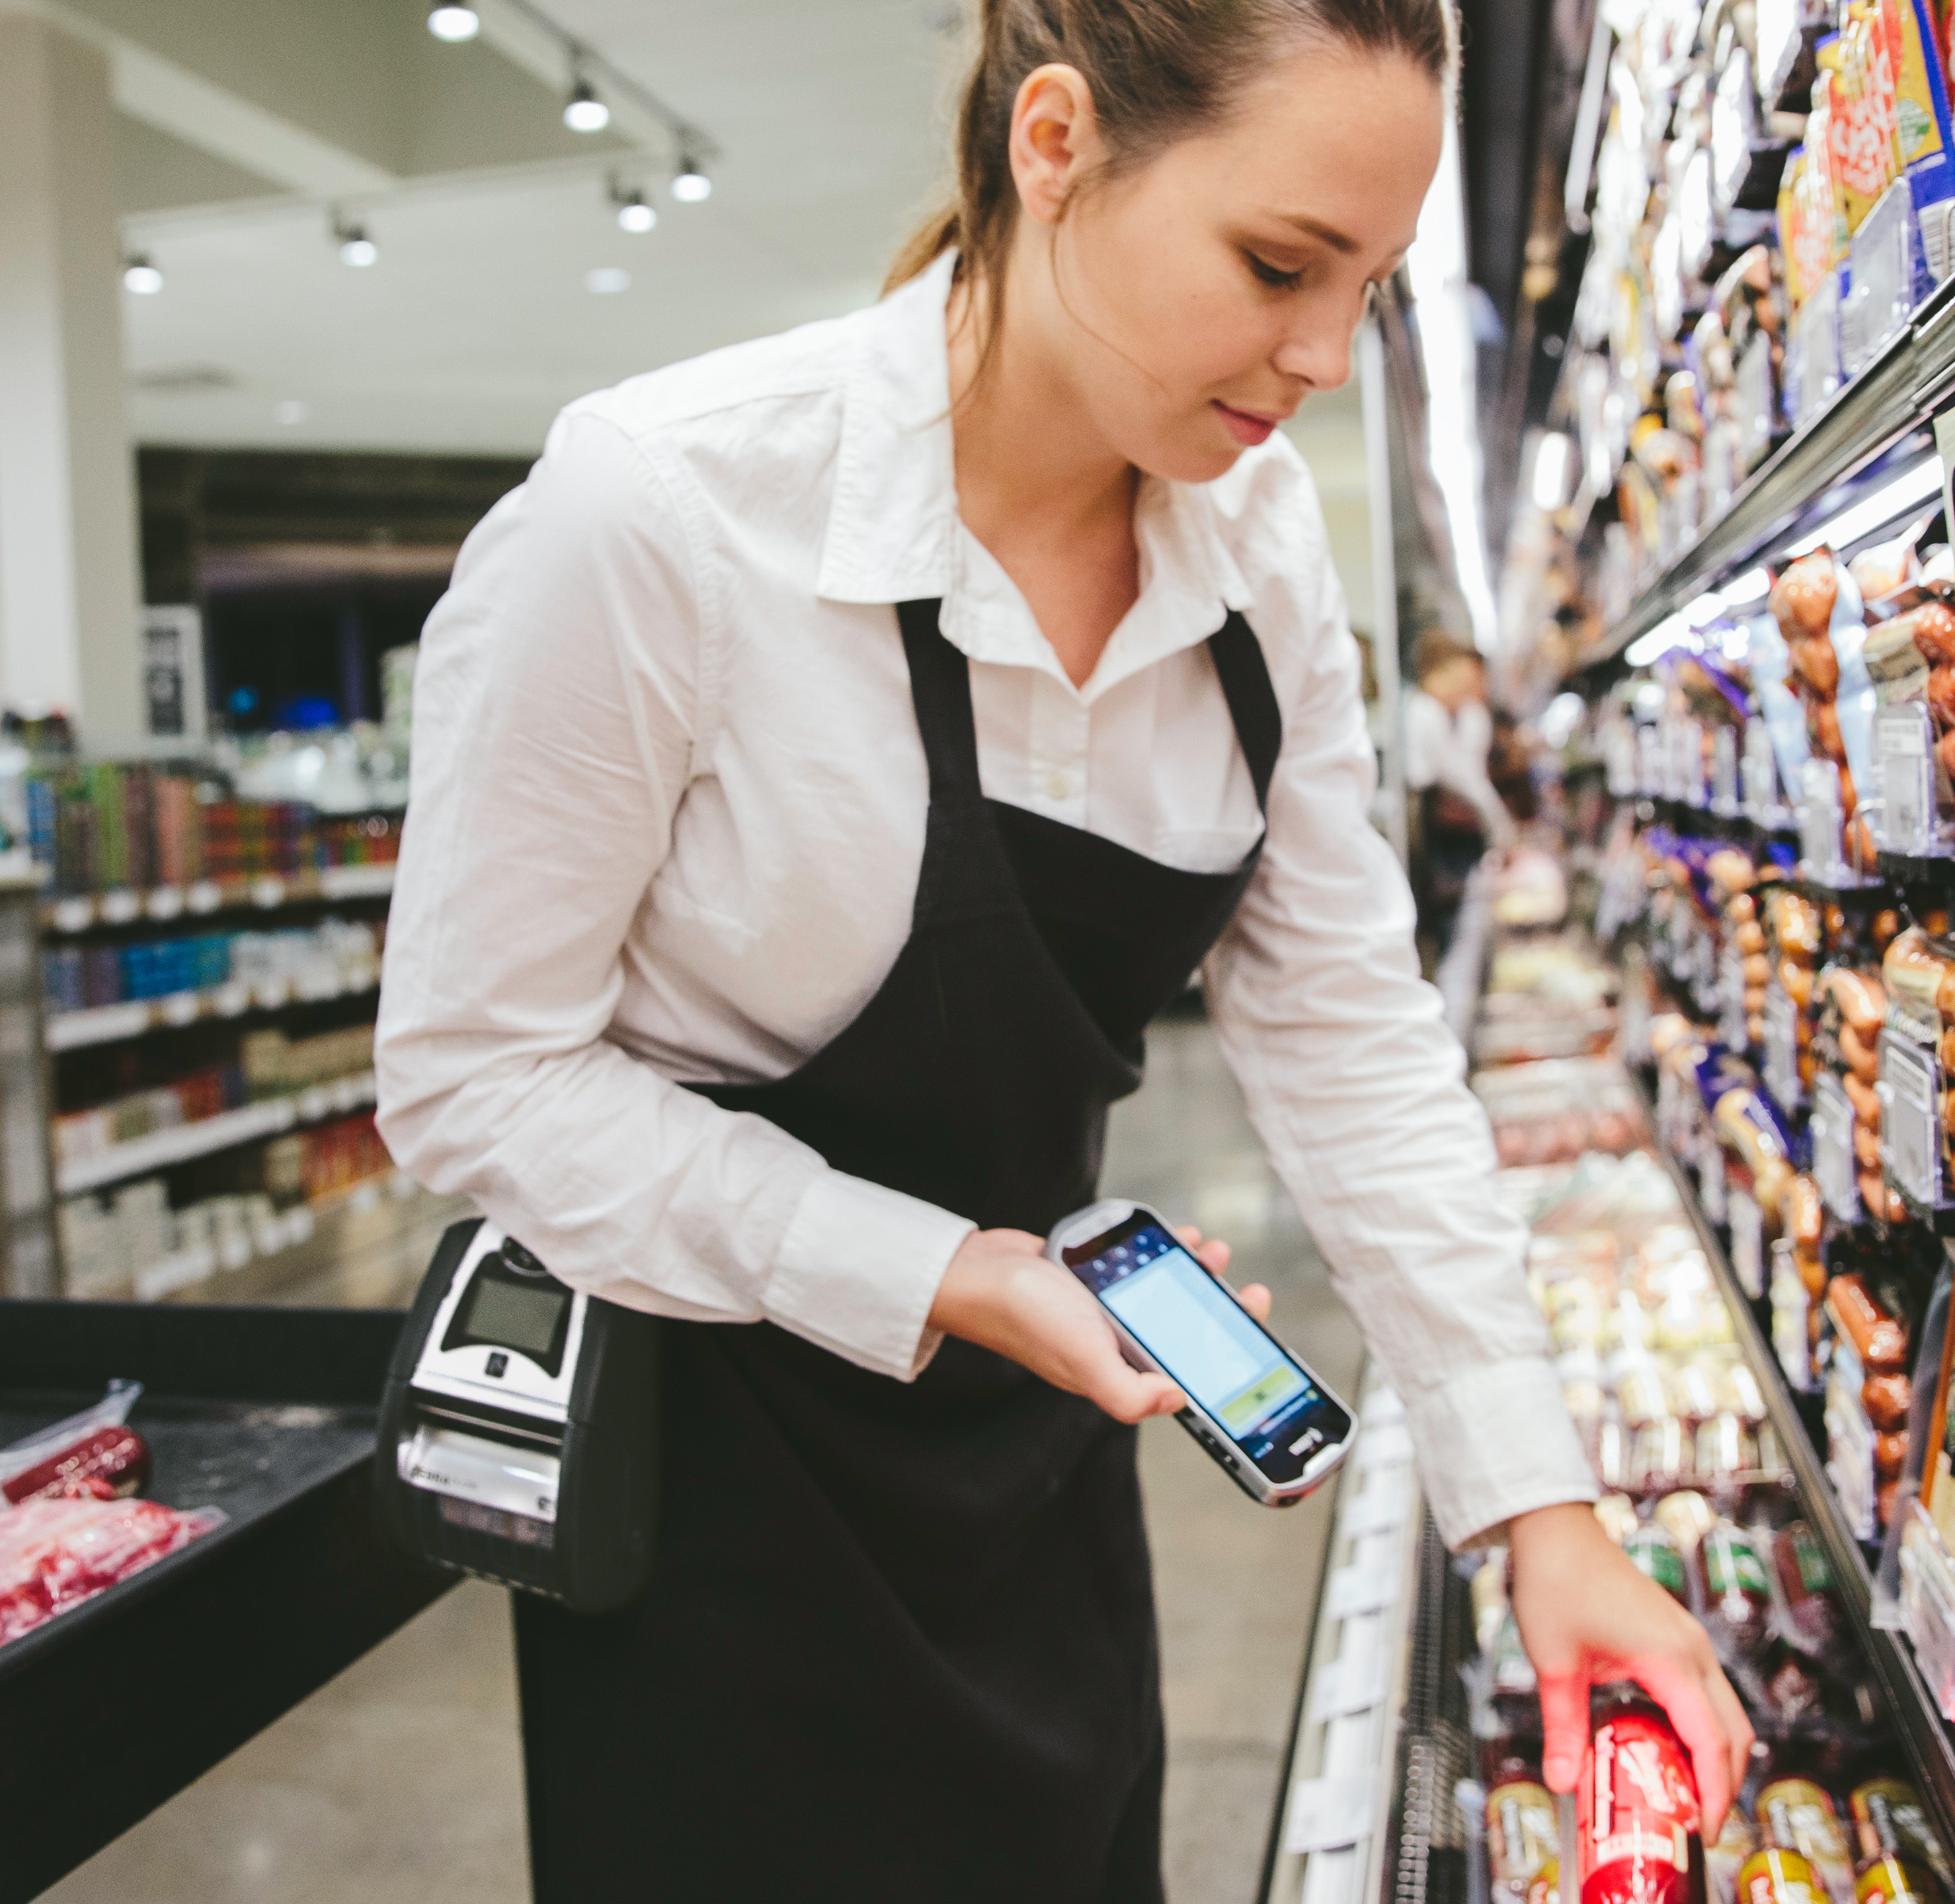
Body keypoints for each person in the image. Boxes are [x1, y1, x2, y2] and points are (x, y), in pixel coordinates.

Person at [374, 3, 1751, 1898]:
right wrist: (929, 1269)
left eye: (1364, 286)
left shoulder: (1257, 556)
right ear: (1055, 146)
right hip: (722, 1504)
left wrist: (1540, 1502)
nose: (1326, 360)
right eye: (1278, 266)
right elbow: (473, 1078)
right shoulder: (664, 518)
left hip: (1049, 1447)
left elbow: (1343, 1029)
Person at [1404, 627, 1511, 956]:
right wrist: (1500, 825)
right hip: (1439, 842)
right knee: (1452, 935)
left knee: (1460, 929)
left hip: (1454, 841)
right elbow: (1447, 776)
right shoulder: (1423, 713)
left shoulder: (1459, 715)